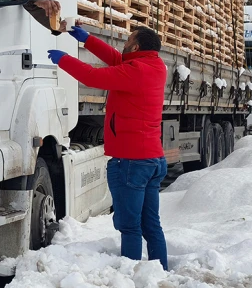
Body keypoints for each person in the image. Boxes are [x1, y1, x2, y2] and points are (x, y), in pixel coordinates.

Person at [47, 26, 169, 270]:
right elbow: (117, 60)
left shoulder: (135, 71)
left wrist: (64, 59)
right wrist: (87, 40)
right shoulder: (154, 67)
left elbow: (92, 77)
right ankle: (159, 273)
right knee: (150, 224)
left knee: (130, 226)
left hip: (132, 162)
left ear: (135, 47)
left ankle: (131, 277)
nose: (124, 43)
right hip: (152, 159)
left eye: (128, 40)